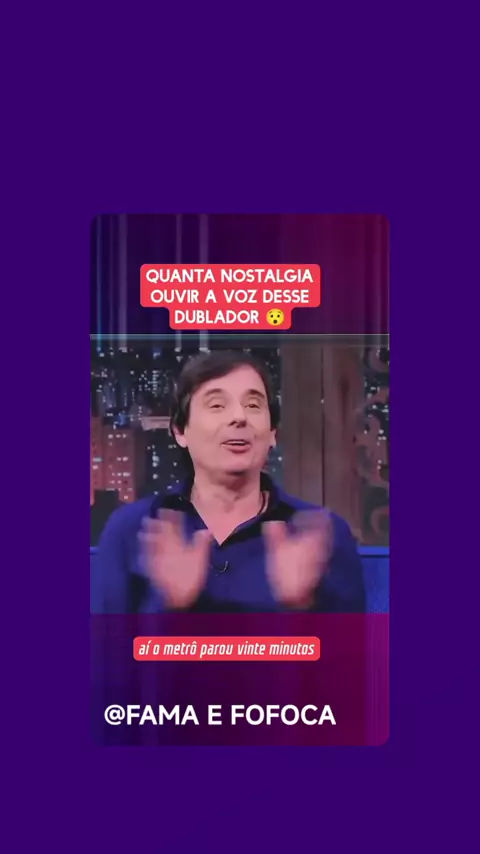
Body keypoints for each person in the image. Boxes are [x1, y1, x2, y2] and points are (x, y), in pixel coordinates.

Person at [92, 350, 366, 613]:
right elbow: (105, 645)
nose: (239, 417)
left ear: (272, 433)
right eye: (217, 405)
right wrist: (171, 609)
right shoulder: (133, 531)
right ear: (180, 431)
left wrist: (299, 607)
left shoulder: (321, 536)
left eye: (253, 405)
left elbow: (351, 647)